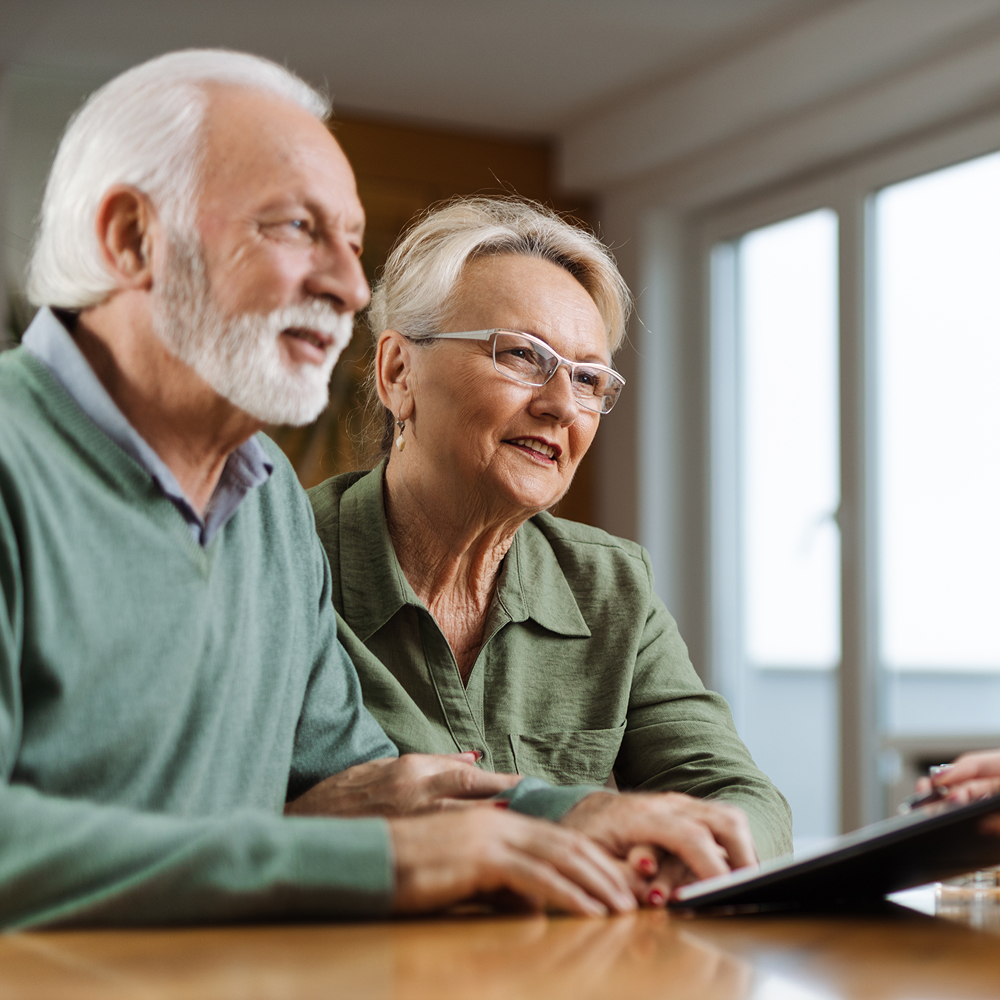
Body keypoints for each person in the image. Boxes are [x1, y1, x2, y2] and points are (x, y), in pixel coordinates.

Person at [0, 50, 678, 929]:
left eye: (352, 243)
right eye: (294, 228)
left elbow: (359, 786)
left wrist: (583, 815)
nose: (352, 288)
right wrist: (372, 863)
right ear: (134, 238)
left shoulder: (269, 495)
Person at [308, 197, 794, 899]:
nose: (563, 403)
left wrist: (691, 853)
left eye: (590, 378)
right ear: (397, 375)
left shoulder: (611, 583)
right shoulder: (281, 559)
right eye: (524, 356)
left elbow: (738, 794)